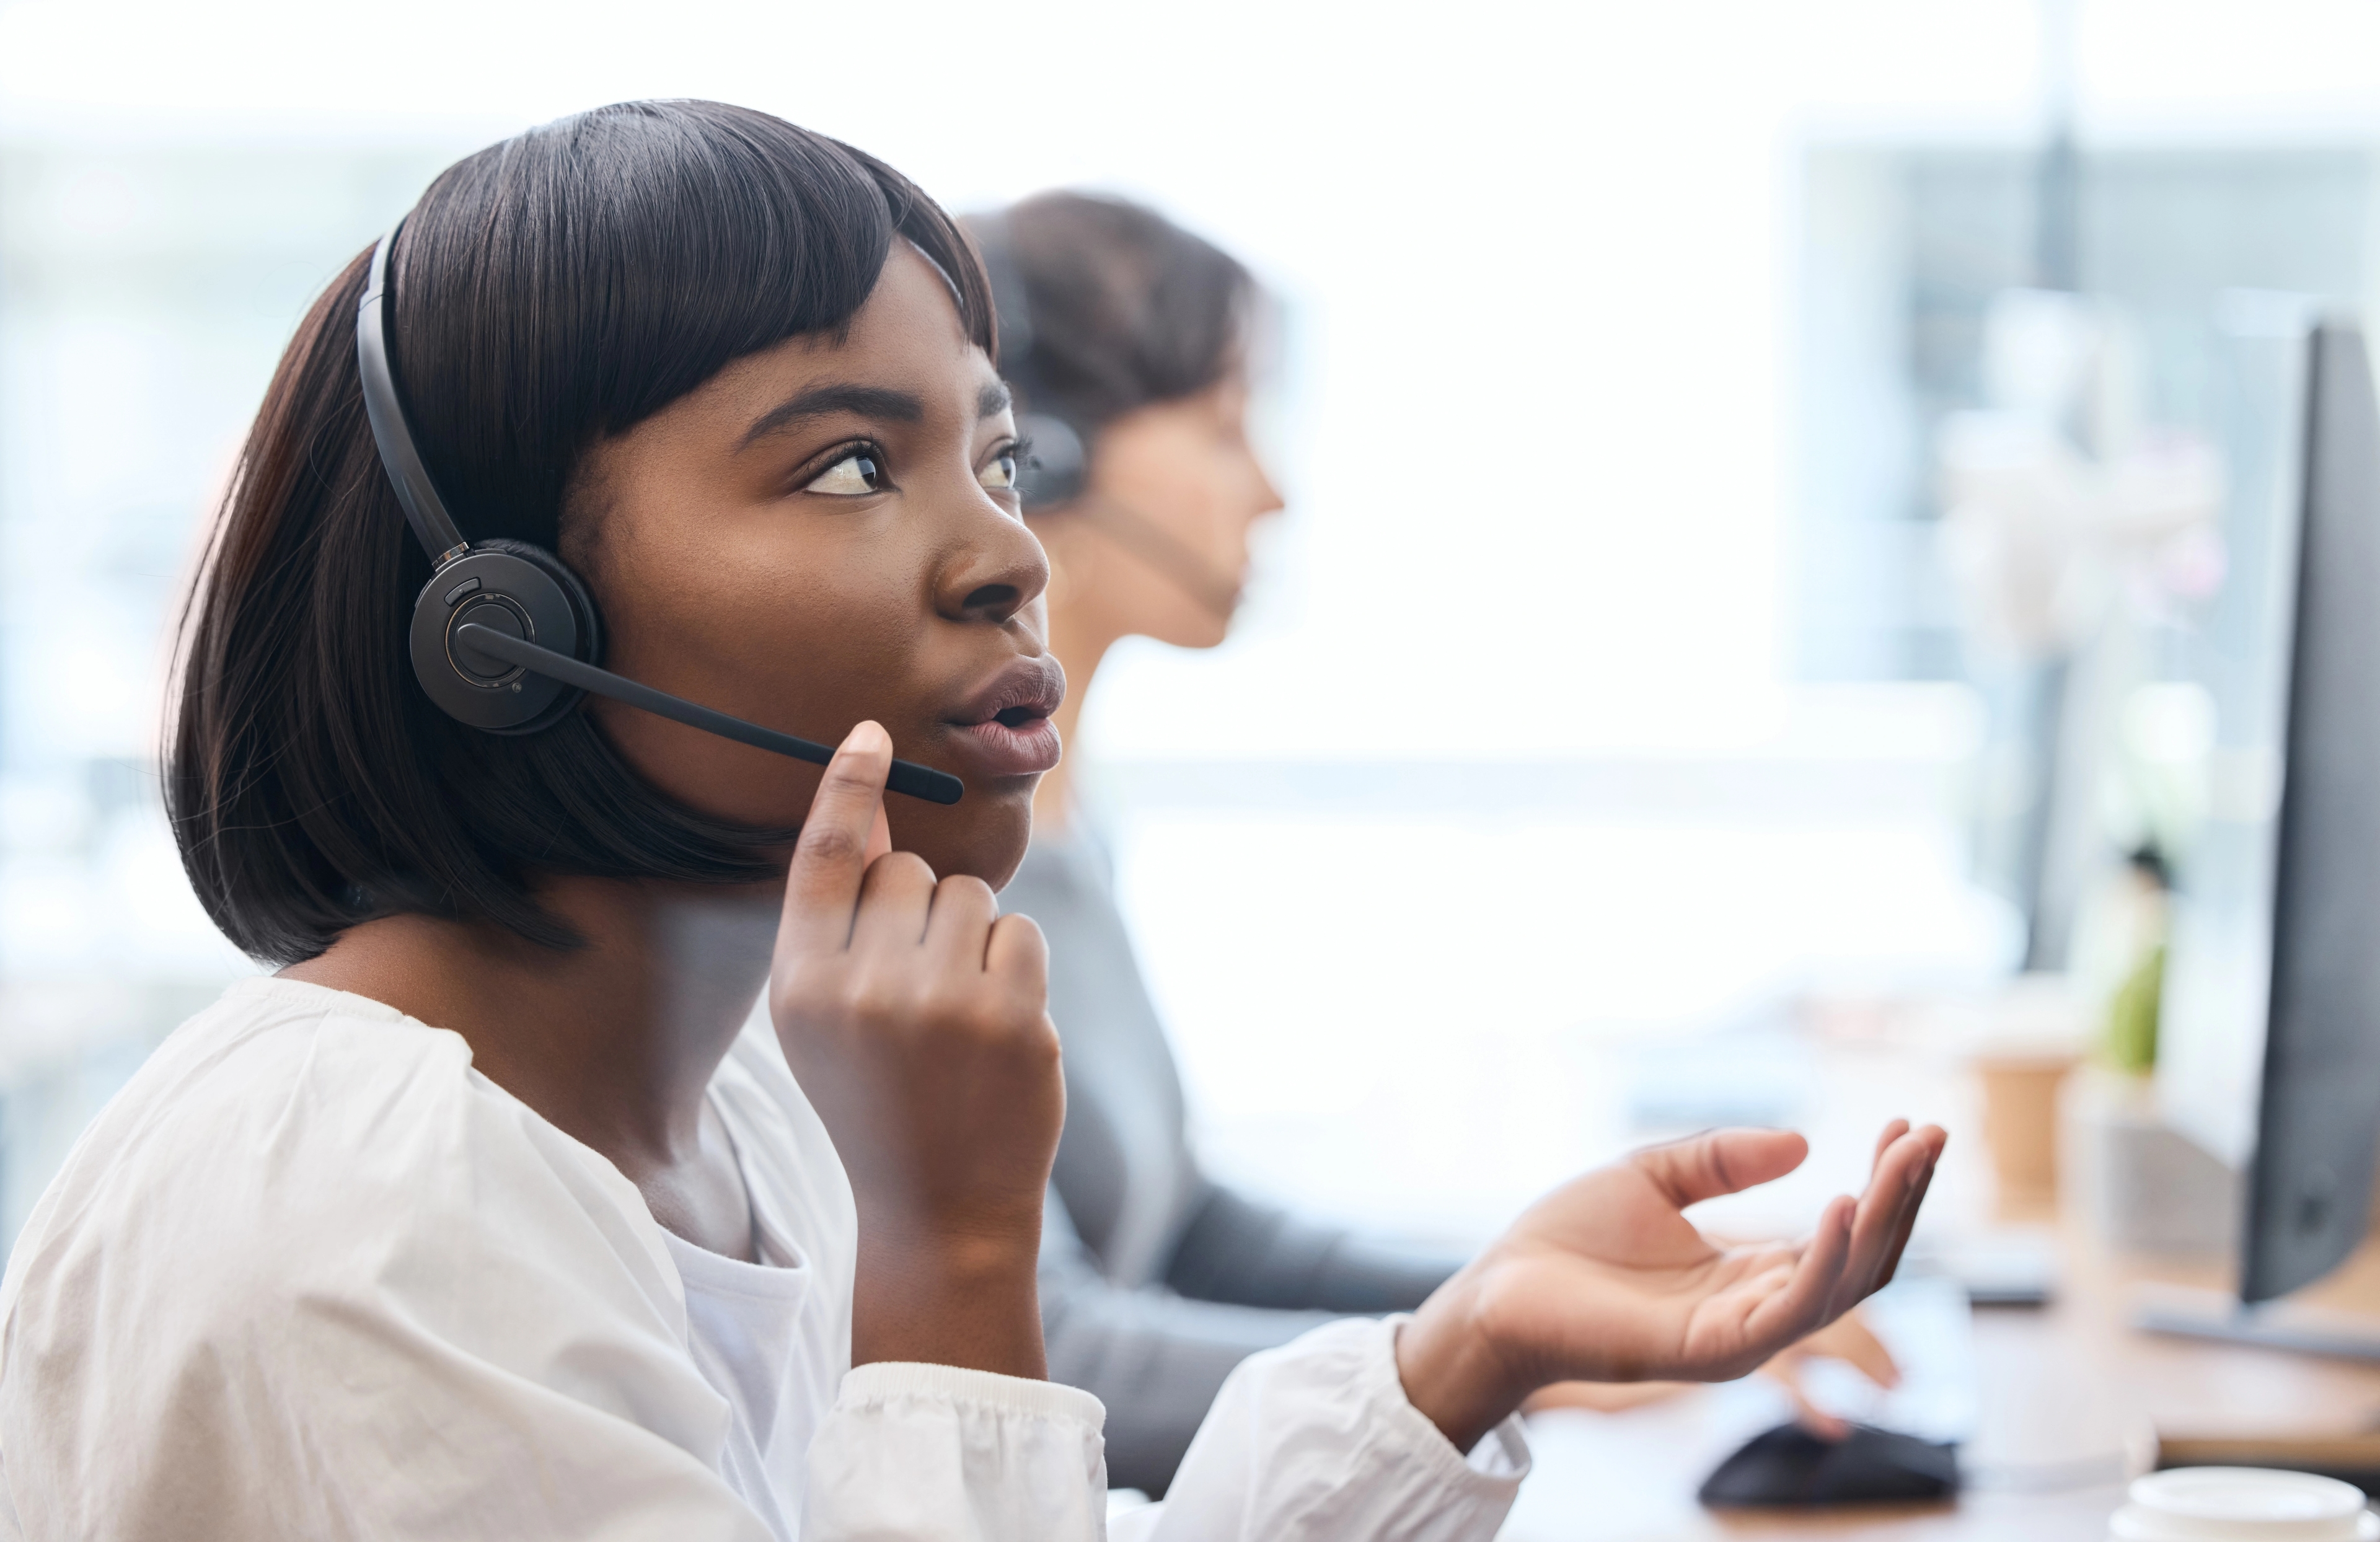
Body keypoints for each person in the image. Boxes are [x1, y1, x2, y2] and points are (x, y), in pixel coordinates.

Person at [0, 102, 1944, 1541]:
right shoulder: (369, 1216)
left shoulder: (734, 1105)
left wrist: (1468, 1348)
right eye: (851, 461)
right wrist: (945, 1258)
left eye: (994, 455)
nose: (1009, 554)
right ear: (505, 627)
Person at [980, 192, 1906, 1493]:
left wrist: (1541, 1280)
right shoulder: (928, 858)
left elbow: (1186, 1227)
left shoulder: (1063, 813)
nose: (1276, 492)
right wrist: (1484, 1351)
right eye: (1228, 424)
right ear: (1047, 458)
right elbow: (1042, 1355)